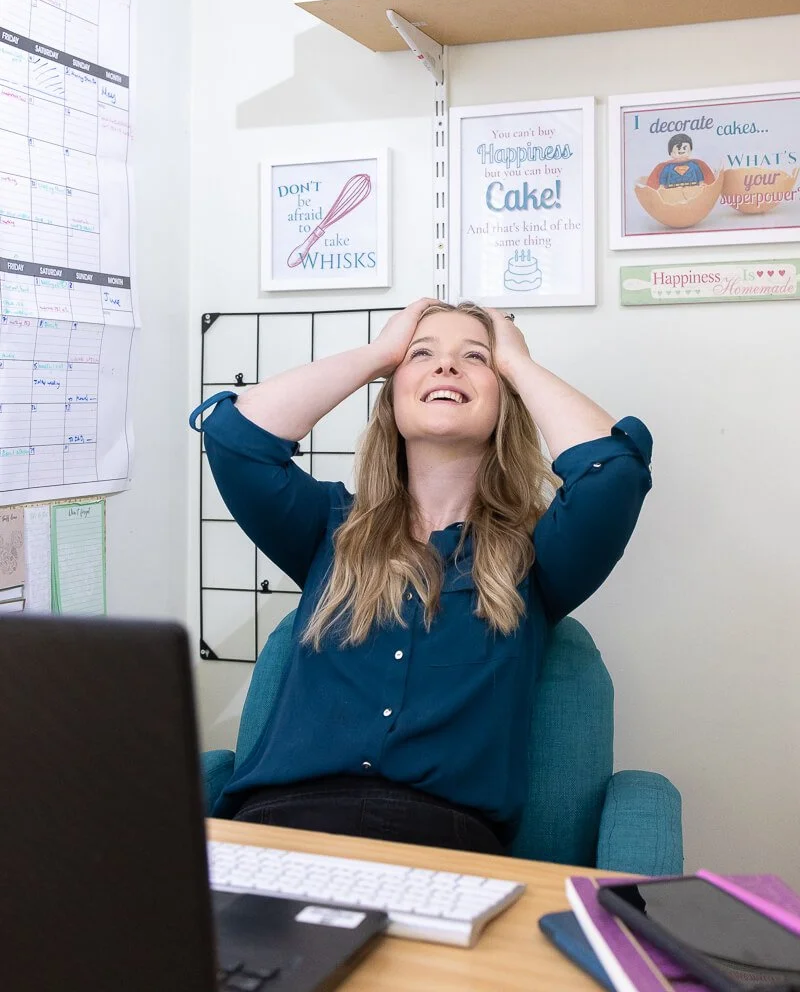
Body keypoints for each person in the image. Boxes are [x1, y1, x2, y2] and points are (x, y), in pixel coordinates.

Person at [190, 299, 652, 855]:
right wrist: (377, 352)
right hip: (276, 829)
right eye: (422, 354)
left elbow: (613, 474)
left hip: (439, 842)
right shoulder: (326, 528)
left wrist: (517, 362)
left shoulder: (540, 556)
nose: (446, 367)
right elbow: (235, 436)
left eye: (474, 358)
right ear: (391, 394)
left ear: (505, 397)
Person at [647, 133, 715, 191]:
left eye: (685, 149)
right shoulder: (668, 168)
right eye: (678, 151)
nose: (681, 152)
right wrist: (662, 187)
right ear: (671, 153)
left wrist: (701, 183)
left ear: (690, 151)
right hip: (672, 190)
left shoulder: (694, 165)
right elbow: (663, 178)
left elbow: (699, 175)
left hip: (693, 189)